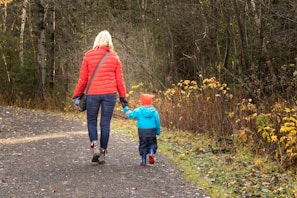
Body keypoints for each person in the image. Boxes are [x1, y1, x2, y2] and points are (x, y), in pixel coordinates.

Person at [72, 30, 128, 164]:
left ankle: (94, 146)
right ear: (109, 41)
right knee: (105, 123)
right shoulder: (114, 57)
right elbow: (120, 80)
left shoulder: (88, 56)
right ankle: (103, 153)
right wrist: (123, 98)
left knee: (91, 121)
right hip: (110, 94)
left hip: (93, 94)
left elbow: (83, 79)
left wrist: (76, 94)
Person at [122, 93, 161, 166]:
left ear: (142, 102)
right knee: (152, 144)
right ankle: (151, 153)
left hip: (142, 131)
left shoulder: (138, 110)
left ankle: (143, 161)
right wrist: (158, 131)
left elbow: (130, 115)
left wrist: (125, 108)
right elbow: (157, 122)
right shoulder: (154, 111)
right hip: (152, 131)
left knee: (143, 145)